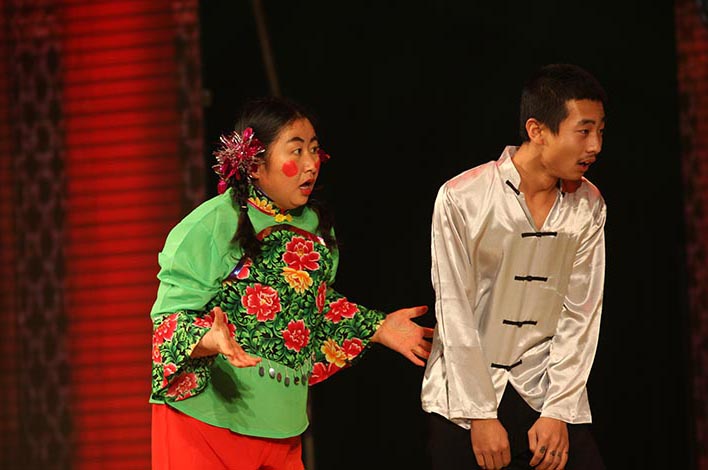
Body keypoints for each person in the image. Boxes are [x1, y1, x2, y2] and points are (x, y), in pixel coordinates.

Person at [149, 96, 434, 469]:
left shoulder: (316, 228)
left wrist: (378, 327)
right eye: (296, 151)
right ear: (255, 164)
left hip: (281, 426)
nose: (311, 164)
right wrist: (209, 340)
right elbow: (169, 323)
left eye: (314, 150)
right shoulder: (211, 225)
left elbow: (310, 309)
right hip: (205, 422)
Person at [421, 63, 608, 470]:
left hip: (546, 391)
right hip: (465, 398)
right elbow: (453, 309)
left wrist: (558, 410)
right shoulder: (463, 197)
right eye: (583, 131)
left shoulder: (589, 206)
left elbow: (581, 313)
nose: (595, 146)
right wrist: (480, 415)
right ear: (537, 130)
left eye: (600, 131)